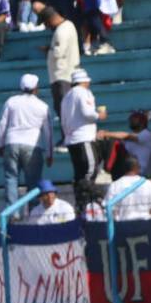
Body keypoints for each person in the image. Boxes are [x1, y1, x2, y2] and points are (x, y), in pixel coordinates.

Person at [0, 73, 54, 209]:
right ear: (36, 88)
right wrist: (49, 154)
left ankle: (12, 213)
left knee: (11, 179)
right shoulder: (42, 106)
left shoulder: (11, 102)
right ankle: (34, 211)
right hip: (32, 145)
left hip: (11, 142)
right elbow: (48, 132)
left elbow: (1, 125)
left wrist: (0, 144)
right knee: (33, 182)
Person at [61, 68, 100, 212]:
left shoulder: (66, 96)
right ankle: (88, 202)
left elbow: (64, 120)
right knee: (90, 170)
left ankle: (80, 205)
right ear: (83, 81)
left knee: (79, 173)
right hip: (84, 137)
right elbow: (87, 113)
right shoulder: (83, 92)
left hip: (71, 140)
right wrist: (99, 115)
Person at [39, 5, 79, 142]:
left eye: (46, 23)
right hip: (68, 73)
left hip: (62, 76)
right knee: (66, 109)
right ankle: (68, 136)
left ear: (50, 19)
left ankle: (67, 137)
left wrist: (49, 50)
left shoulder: (61, 31)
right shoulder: (69, 25)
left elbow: (58, 53)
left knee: (63, 109)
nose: (46, 26)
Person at [98, 110, 151, 178]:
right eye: (131, 119)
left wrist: (106, 134)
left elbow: (126, 136)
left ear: (142, 122)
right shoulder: (132, 136)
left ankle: (107, 169)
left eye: (134, 119)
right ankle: (101, 167)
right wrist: (106, 134)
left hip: (136, 169)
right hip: (125, 167)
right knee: (109, 141)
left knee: (113, 141)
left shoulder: (146, 134)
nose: (131, 121)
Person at [103, 155, 151, 220]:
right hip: (145, 225)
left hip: (124, 225)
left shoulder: (115, 185)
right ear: (137, 168)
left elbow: (110, 211)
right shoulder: (147, 184)